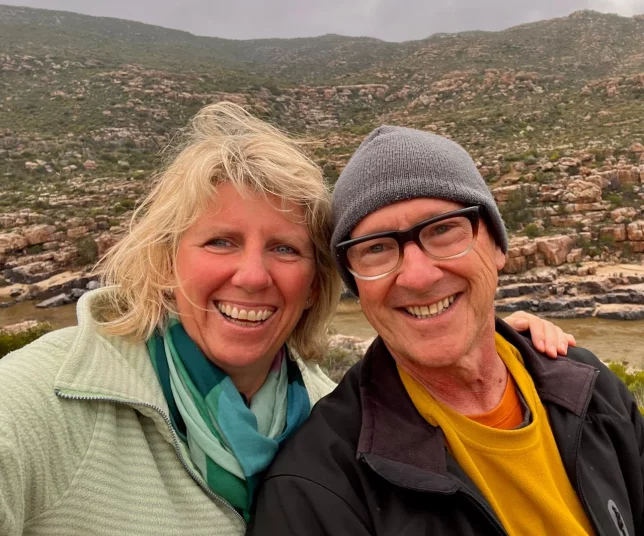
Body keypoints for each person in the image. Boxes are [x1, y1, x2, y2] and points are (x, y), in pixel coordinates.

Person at [0, 105, 572, 536]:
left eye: (284, 249)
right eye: (220, 241)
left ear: (315, 284)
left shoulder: (330, 416)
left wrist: (495, 337)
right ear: (166, 262)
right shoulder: (39, 403)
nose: (252, 276)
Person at [250, 126, 644, 536]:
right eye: (377, 248)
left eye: (441, 230)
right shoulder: (318, 488)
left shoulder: (590, 390)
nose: (418, 277)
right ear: (357, 286)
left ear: (496, 245)